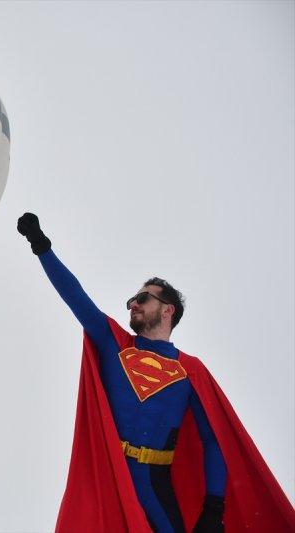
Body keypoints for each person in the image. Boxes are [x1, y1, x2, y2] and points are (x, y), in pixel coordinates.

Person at [17, 213, 295, 533]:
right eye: (132, 299)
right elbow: (77, 298)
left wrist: (213, 509)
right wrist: (42, 247)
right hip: (109, 478)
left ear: (167, 310)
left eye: (143, 298)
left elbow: (213, 440)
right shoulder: (114, 344)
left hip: (155, 490)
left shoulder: (191, 370)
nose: (133, 304)